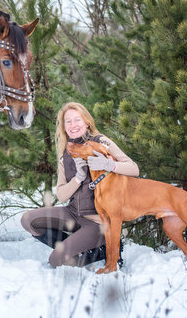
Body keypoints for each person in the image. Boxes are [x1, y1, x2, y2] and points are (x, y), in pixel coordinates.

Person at [21, 102, 139, 268]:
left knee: (56, 261)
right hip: (73, 213)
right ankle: (75, 247)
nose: (73, 125)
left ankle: (106, 248)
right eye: (68, 121)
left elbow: (134, 169)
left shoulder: (101, 142)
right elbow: (61, 195)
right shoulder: (65, 152)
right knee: (28, 220)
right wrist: (78, 177)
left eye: (77, 120)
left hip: (98, 221)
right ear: (63, 126)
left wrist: (108, 164)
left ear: (87, 122)